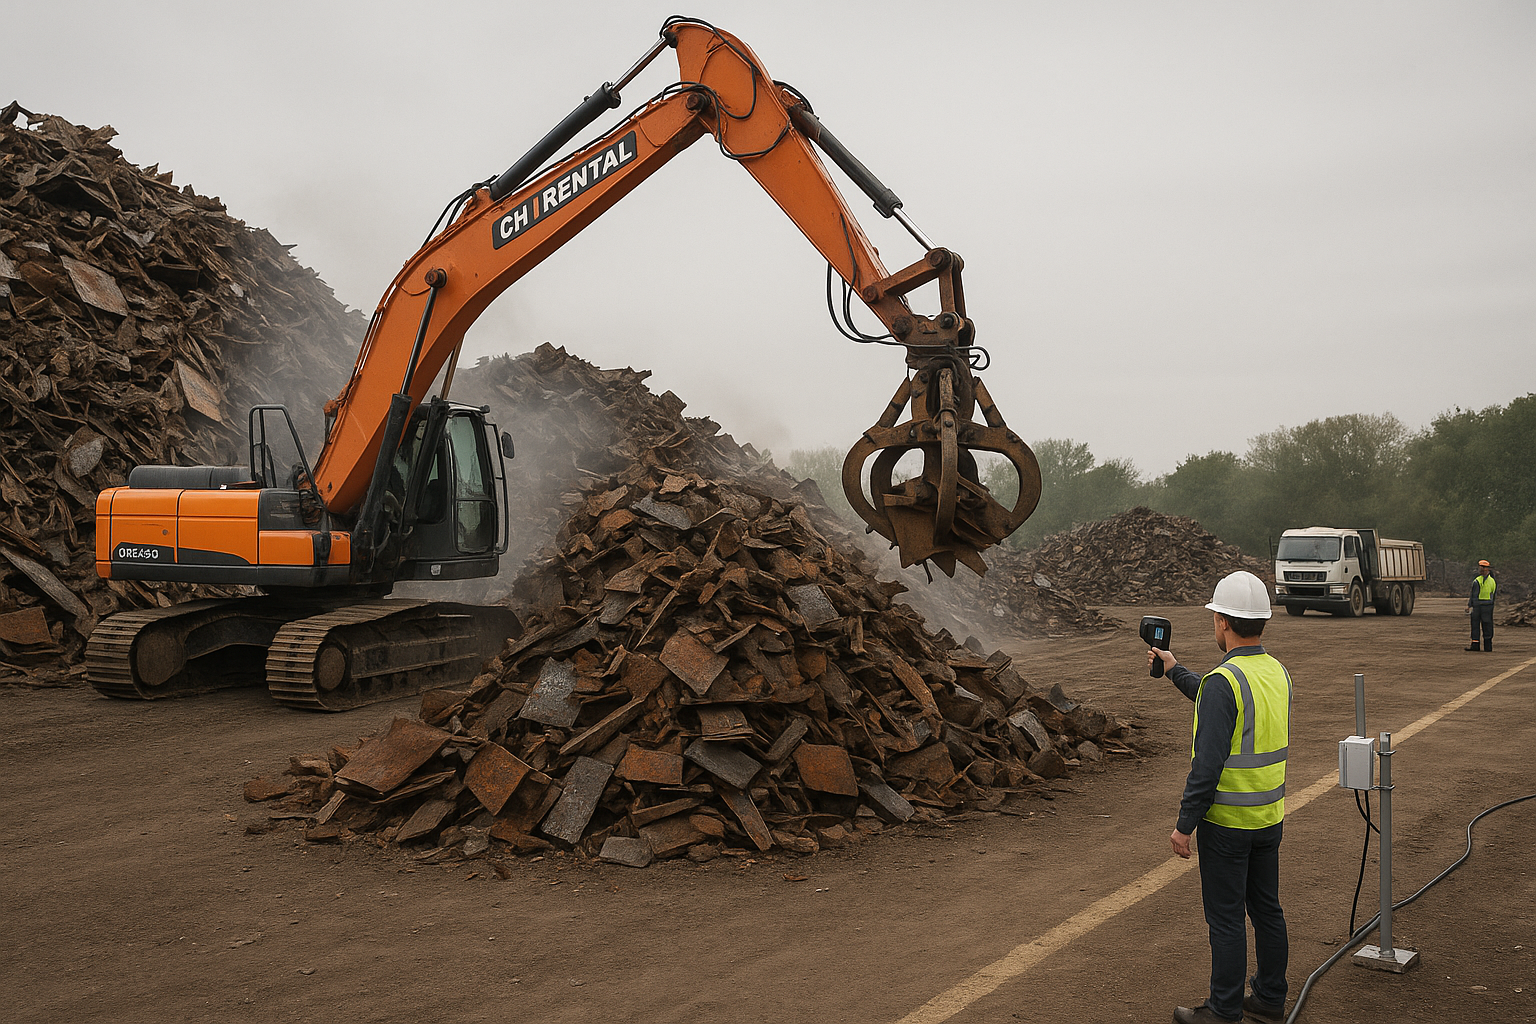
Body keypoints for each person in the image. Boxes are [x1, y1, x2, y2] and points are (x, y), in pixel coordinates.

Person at [1148, 570, 1291, 1024]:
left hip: (1227, 825)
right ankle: (1269, 999)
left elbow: (1206, 768)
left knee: (1226, 920)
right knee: (1266, 909)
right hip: (1268, 818)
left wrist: (1183, 825)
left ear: (1224, 623)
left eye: (1214, 617)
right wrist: (1174, 669)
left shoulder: (1225, 682)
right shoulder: (1275, 672)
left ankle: (1223, 1011)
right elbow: (1215, 696)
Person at [1466, 559, 1496, 652]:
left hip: (1486, 606)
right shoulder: (1478, 581)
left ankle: (1487, 645)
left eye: (1484, 568)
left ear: (1488, 569)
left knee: (1486, 625)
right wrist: (1470, 605)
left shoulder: (1491, 581)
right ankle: (1476, 645)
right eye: (1481, 567)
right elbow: (1473, 595)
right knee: (1476, 625)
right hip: (1479, 606)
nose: (1482, 569)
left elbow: (1493, 594)